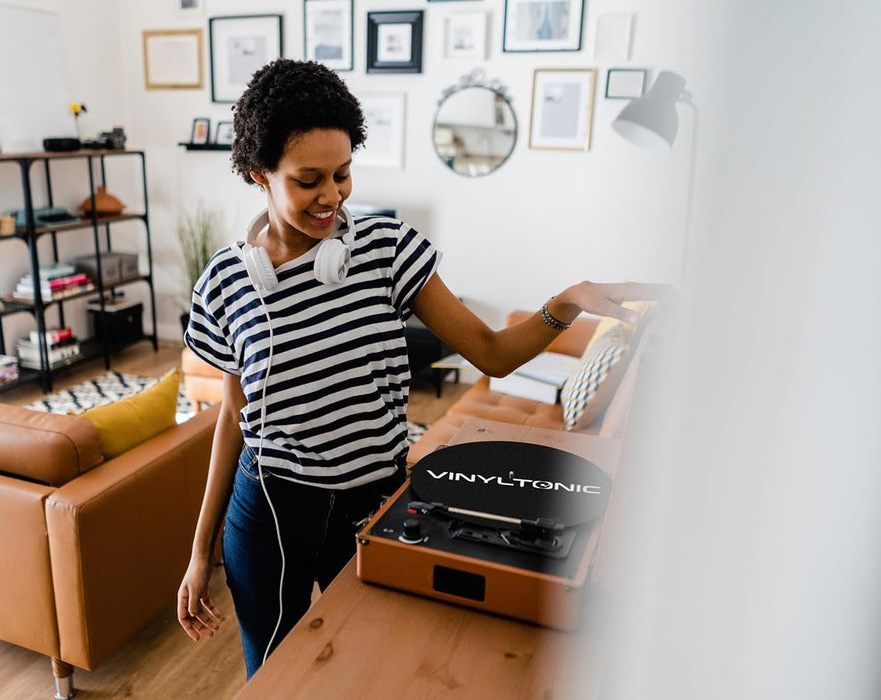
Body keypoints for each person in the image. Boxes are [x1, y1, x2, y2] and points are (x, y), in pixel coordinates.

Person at [177, 58, 659, 678]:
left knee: (379, 663)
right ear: (257, 174)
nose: (332, 195)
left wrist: (565, 303)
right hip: (269, 507)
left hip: (374, 498)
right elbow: (233, 416)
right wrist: (198, 552)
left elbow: (491, 352)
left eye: (343, 174)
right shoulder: (223, 282)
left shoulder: (387, 248)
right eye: (308, 180)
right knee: (273, 676)